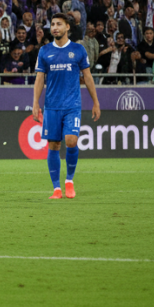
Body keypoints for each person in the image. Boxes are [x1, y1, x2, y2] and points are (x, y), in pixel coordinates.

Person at [32, 13, 101, 199]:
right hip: (52, 106)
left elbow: (87, 76)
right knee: (53, 145)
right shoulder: (44, 51)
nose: (54, 27)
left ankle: (69, 181)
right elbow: (40, 78)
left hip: (72, 105)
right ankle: (56, 188)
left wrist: (95, 102)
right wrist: (35, 103)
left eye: (59, 24)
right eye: (52, 24)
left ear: (67, 27)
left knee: (71, 140)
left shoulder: (78, 50)